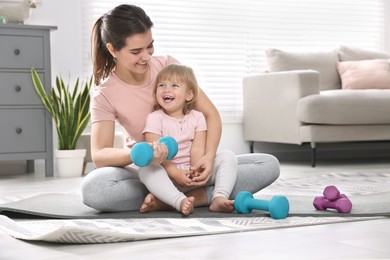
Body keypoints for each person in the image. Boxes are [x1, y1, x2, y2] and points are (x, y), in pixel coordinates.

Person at [81, 4, 280, 213]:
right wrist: (142, 153)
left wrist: (208, 158)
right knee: (95, 188)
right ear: (113, 49)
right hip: (152, 172)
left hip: (192, 167)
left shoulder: (168, 67)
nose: (147, 57)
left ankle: (170, 200)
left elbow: (210, 114)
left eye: (150, 46)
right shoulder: (105, 94)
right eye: (136, 51)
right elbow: (100, 154)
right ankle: (187, 196)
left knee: (267, 165)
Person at [139, 64, 237, 215]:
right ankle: (179, 200)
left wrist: (195, 171)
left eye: (174, 85)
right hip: (168, 175)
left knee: (228, 156)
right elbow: (156, 151)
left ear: (189, 95)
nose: (167, 89)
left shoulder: (197, 117)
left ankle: (219, 197)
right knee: (146, 168)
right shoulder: (154, 118)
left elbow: (198, 148)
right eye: (162, 85)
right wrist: (175, 173)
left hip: (191, 174)